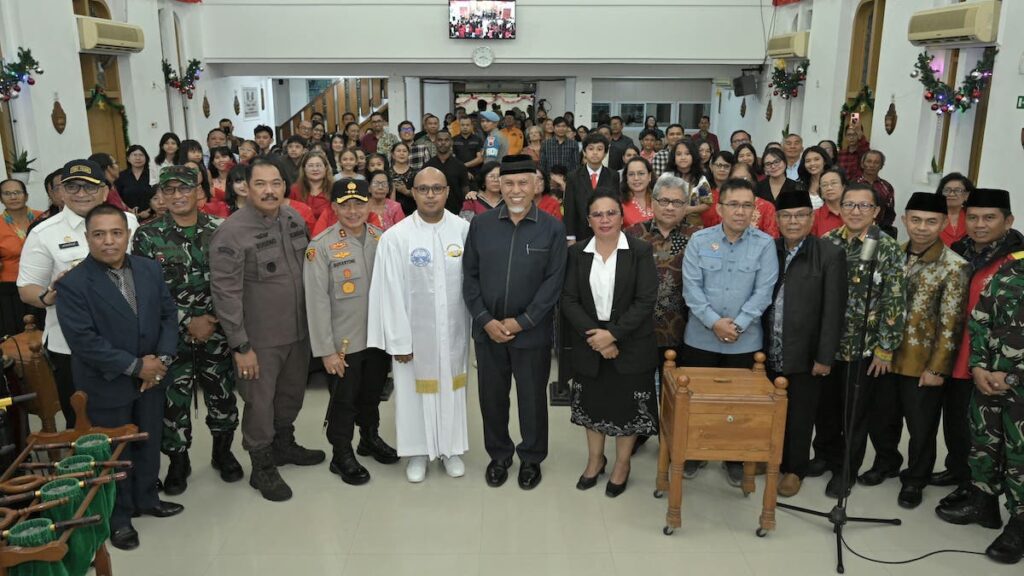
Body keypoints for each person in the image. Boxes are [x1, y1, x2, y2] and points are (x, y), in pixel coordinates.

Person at [56, 203, 183, 551]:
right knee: (115, 452)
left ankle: (146, 498)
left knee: (148, 438)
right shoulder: (74, 284)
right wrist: (136, 366)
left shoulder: (148, 270)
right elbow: (85, 342)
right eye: (99, 235)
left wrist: (161, 361)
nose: (109, 241)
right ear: (87, 238)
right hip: (107, 383)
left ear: (128, 234)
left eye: (116, 233)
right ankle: (118, 516)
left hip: (152, 377)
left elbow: (169, 316)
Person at [209, 157, 325, 502]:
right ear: (245, 186)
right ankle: (261, 465)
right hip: (259, 338)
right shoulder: (231, 232)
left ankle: (283, 444)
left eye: (276, 183)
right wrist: (241, 345)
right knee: (260, 403)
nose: (269, 190)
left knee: (291, 395)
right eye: (260, 184)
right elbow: (225, 292)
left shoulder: (292, 219)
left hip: (299, 330)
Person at [132, 164, 243, 496]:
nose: (177, 196)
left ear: (198, 192)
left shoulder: (222, 229)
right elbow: (146, 292)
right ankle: (178, 461)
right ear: (161, 196)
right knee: (173, 402)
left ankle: (223, 452)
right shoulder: (147, 236)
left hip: (217, 332)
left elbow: (235, 282)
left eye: (184, 189)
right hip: (170, 336)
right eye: (169, 190)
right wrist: (187, 320)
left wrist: (211, 319)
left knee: (222, 396)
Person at [462, 155, 566, 490]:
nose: (516, 190)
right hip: (488, 331)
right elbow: (469, 277)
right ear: (498, 186)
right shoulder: (481, 225)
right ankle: (500, 455)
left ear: (537, 185)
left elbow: (554, 283)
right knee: (492, 398)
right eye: (509, 183)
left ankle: (532, 458)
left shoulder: (552, 228)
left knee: (532, 399)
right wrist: (485, 320)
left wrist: (523, 321)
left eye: (524, 183)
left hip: (531, 334)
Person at [17, 159, 140, 429]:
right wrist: (47, 297)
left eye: (89, 186)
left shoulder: (128, 222)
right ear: (60, 192)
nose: (81, 193)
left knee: (132, 417)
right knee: (84, 422)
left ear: (105, 191)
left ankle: (136, 471)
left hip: (127, 340)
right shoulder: (44, 233)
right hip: (71, 347)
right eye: (72, 187)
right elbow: (26, 289)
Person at [367, 167, 471, 483]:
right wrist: (398, 341)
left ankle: (451, 449)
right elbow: (388, 291)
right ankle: (417, 452)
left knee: (453, 389)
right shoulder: (396, 238)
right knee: (413, 394)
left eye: (437, 188)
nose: (430, 195)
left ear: (447, 191)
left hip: (454, 334)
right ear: (412, 192)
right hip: (412, 338)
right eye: (423, 189)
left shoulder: (463, 231)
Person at [681, 178, 778, 484]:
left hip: (744, 341)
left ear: (754, 210)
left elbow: (764, 293)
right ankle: (693, 452)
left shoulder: (764, 245)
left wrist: (735, 325)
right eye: (733, 204)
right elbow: (691, 289)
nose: (740, 211)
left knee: (739, 405)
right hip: (700, 339)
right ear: (720, 207)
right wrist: (714, 322)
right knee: (697, 402)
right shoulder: (699, 241)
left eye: (747, 205)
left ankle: (734, 457)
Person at [813, 183, 906, 499]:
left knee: (853, 414)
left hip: (864, 347)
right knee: (824, 408)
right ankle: (824, 454)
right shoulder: (827, 241)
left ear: (876, 211)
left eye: (863, 206)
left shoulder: (887, 247)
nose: (854, 211)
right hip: (828, 345)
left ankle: (846, 470)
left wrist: (885, 348)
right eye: (848, 204)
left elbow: (895, 299)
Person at [562, 190, 658, 496]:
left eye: (611, 213)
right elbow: (568, 299)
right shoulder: (577, 253)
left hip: (630, 340)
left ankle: (622, 464)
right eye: (597, 214)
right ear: (588, 220)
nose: (604, 220)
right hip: (589, 339)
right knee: (593, 403)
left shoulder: (640, 251)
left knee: (627, 408)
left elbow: (645, 300)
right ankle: (595, 460)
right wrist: (597, 337)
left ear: (622, 216)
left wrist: (613, 335)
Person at [936, 234, 1024, 564]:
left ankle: (1019, 524)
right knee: (984, 442)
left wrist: (1013, 376)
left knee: (1020, 458)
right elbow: (981, 320)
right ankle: (984, 504)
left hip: (1019, 386)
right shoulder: (1011, 269)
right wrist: (978, 367)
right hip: (988, 380)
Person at [304, 178, 398, 486]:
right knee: (344, 401)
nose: (354, 210)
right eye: (346, 205)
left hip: (377, 340)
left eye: (360, 204)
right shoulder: (321, 247)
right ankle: (340, 453)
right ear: (334, 208)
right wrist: (326, 351)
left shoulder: (383, 239)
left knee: (371, 396)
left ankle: (368, 439)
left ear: (370, 205)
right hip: (343, 343)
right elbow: (316, 304)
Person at [879, 192, 967, 509]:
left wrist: (938, 368)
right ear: (904, 220)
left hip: (923, 364)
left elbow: (952, 323)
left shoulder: (955, 266)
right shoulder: (894, 254)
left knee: (921, 427)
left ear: (943, 222)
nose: (922, 227)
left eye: (931, 221)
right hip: (887, 357)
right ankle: (887, 462)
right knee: (884, 418)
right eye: (915, 220)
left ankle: (916, 479)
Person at [764, 189, 847, 497]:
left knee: (800, 415)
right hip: (768, 347)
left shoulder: (829, 254)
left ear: (812, 219)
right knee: (770, 412)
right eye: (786, 215)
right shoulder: (769, 249)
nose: (793, 221)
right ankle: (770, 458)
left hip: (805, 350)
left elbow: (834, 309)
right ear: (777, 219)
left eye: (800, 215)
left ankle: (794, 469)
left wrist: (824, 356)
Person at [624, 174, 690, 385]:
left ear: (685, 206)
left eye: (677, 202)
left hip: (680, 332)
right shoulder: (631, 235)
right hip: (638, 330)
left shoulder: (697, 237)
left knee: (673, 397)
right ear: (653, 202)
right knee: (638, 394)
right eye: (664, 201)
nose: (670, 207)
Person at [0, 179, 43, 336]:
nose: (13, 197)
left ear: (26, 196)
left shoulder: (43, 218)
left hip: (41, 284)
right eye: (7, 193)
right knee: (16, 335)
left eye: (17, 192)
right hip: (9, 290)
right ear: (1, 198)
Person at [564, 133, 618, 245]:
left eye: (599, 149)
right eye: (590, 149)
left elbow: (616, 205)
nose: (595, 153)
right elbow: (570, 208)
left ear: (605, 153)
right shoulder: (573, 176)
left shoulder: (613, 176)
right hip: (580, 232)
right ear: (584, 152)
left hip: (606, 230)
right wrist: (570, 236)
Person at [666, 140, 711, 231]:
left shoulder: (701, 179)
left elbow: (707, 203)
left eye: (687, 154)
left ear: (693, 156)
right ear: (673, 158)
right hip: (669, 224)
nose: (683, 157)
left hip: (693, 225)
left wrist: (690, 209)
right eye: (678, 154)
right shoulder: (666, 178)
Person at [424, 130, 469, 216]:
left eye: (446, 140)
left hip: (456, 213)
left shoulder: (460, 166)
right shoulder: (428, 166)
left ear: (451, 142)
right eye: (440, 140)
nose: (443, 143)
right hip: (433, 212)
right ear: (435, 142)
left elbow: (465, 190)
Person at [856, 150, 897, 239]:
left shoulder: (886, 187)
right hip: (854, 229)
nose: (872, 165)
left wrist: (880, 229)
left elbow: (890, 212)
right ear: (862, 164)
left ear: (881, 166)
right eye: (869, 161)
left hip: (878, 232)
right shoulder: (853, 184)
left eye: (876, 162)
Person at [290, 150, 332, 221]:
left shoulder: (334, 189)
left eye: (318, 165)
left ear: (326, 168)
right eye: (310, 166)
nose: (315, 169)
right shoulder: (294, 190)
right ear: (304, 169)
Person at [937, 173, 973, 247]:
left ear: (967, 195)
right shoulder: (932, 216)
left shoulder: (974, 217)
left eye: (957, 190)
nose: (952, 194)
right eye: (947, 190)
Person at [811, 167, 846, 237]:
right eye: (824, 185)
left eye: (834, 183)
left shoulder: (854, 212)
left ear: (843, 187)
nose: (829, 188)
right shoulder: (813, 217)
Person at [620, 157, 655, 227]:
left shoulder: (660, 200)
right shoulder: (619, 204)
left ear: (649, 176)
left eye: (641, 173)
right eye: (631, 174)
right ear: (626, 178)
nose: (636, 178)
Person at [453, 116, 484, 182]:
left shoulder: (478, 140)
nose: (465, 127)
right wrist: (463, 170)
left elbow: (480, 159)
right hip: (458, 173)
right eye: (462, 125)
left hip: (475, 174)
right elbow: (452, 159)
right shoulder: (454, 140)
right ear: (459, 126)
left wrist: (463, 166)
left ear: (471, 126)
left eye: (467, 125)